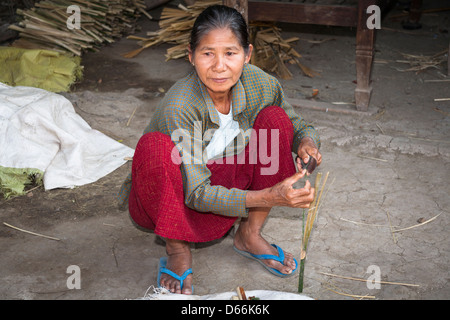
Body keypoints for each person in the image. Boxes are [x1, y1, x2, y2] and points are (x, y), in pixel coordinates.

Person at [118, 4, 322, 295]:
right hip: (173, 202)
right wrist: (270, 195)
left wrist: (307, 143)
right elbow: (196, 193)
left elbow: (297, 124)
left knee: (275, 119)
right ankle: (177, 250)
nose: (219, 66)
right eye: (207, 53)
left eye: (230, 53)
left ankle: (249, 235)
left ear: (247, 54)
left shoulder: (260, 83)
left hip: (226, 190)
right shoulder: (181, 105)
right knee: (154, 148)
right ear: (191, 56)